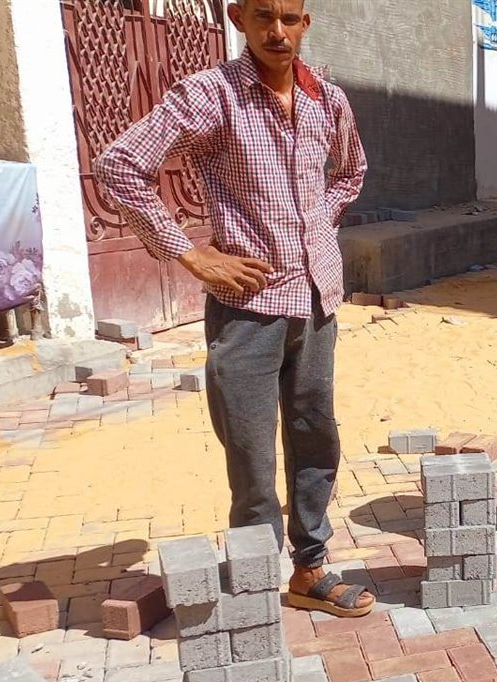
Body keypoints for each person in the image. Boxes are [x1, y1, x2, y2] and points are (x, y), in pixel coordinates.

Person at [94, 0, 374, 617]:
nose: (277, 32)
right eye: (263, 16)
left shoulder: (328, 100)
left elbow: (351, 172)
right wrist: (191, 254)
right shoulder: (211, 96)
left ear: (306, 22)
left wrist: (317, 227)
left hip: (317, 301)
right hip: (248, 308)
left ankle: (310, 568)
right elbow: (119, 166)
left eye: (290, 18)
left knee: (315, 437)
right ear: (236, 17)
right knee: (250, 455)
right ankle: (255, 586)